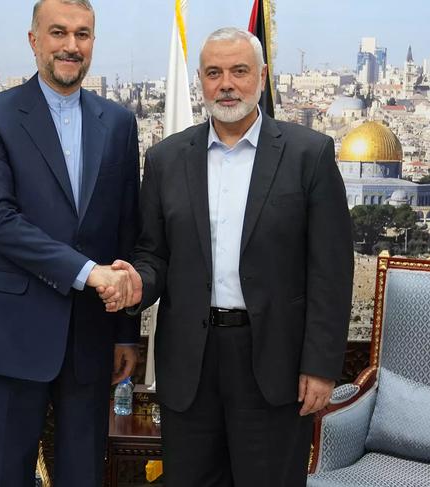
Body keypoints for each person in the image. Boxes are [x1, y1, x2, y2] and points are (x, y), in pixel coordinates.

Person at [105, 27, 354, 486]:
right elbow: (153, 254)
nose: (227, 84)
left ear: (260, 77)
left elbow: (331, 271)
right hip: (190, 366)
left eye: (239, 71)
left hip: (274, 364)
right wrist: (138, 282)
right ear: (200, 80)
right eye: (214, 73)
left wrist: (320, 368)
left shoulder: (308, 154)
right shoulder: (165, 159)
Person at [0, 1, 140, 485]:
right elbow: (0, 221)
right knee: (3, 474)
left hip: (91, 336)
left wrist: (126, 332)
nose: (71, 45)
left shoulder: (119, 123)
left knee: (82, 473)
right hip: (13, 331)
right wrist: (89, 272)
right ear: (34, 39)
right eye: (58, 32)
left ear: (93, 44)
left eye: (82, 35)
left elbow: (126, 229)